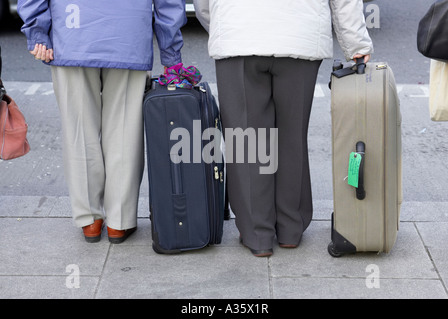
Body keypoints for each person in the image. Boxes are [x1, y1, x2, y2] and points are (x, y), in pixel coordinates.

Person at [194, 0, 373, 257]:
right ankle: (290, 228)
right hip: (300, 33)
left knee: (247, 143)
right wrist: (356, 44)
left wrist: (224, 26)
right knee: (292, 137)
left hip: (239, 31)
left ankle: (257, 233)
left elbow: (203, 5)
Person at [17, 0, 186, 243]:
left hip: (72, 31)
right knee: (125, 131)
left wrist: (37, 31)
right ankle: (119, 221)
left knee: (79, 131)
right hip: (128, 35)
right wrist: (171, 54)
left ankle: (90, 221)